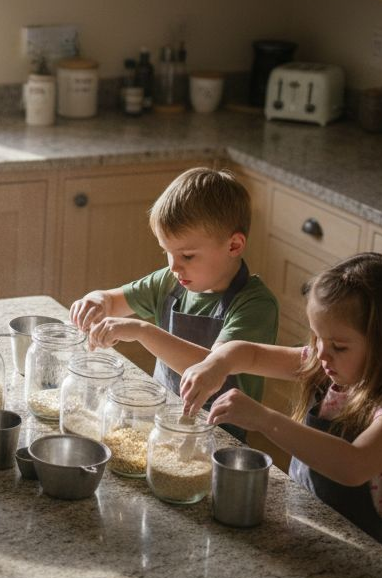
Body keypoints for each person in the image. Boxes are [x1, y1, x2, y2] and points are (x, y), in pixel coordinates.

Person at [179, 252, 382, 558]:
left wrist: (264, 419)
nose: (322, 353)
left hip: (362, 556)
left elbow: (354, 465)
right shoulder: (325, 365)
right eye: (316, 337)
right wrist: (216, 364)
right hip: (305, 530)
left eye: (338, 346)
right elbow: (247, 354)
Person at [68, 167, 278, 439]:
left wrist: (142, 331)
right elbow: (111, 301)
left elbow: (212, 369)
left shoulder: (255, 306)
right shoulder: (170, 282)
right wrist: (95, 301)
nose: (174, 266)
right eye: (167, 253)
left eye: (188, 256)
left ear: (234, 246)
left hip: (217, 437)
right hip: (163, 424)